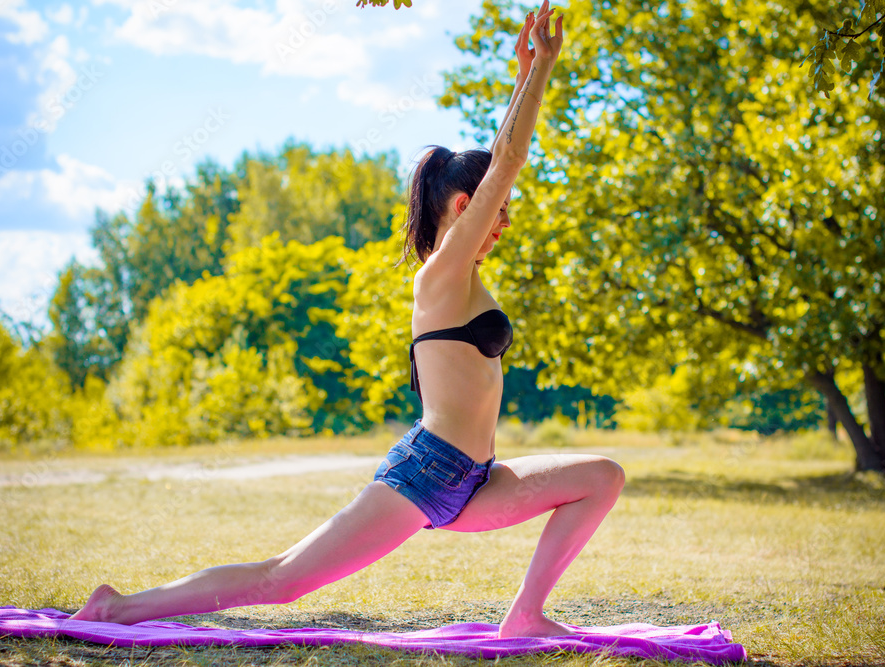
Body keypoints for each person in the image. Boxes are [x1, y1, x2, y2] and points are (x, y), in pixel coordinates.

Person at [70, 1, 624, 639]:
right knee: (281, 581)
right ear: (468, 206)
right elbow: (507, 162)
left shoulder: (466, 276)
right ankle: (118, 606)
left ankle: (525, 616)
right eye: (497, 214)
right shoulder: (441, 272)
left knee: (602, 476)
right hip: (427, 473)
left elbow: (496, 163)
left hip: (477, 478)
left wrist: (522, 75)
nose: (502, 226)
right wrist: (542, 71)